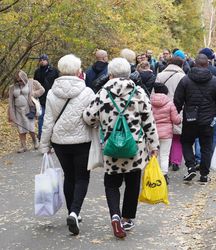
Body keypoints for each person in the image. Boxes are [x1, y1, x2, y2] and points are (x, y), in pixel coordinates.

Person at [83, 57, 159, 239]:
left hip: (111, 147)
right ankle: (127, 218)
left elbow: (88, 117)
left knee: (111, 183)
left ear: (110, 74)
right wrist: (154, 145)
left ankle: (114, 215)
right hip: (135, 147)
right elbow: (149, 122)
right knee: (133, 183)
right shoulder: (139, 92)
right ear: (129, 73)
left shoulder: (102, 93)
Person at [39, 54, 95, 235]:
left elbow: (47, 121)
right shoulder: (87, 92)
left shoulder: (52, 93)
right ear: (78, 70)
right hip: (82, 142)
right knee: (82, 178)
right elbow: (93, 118)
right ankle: (75, 212)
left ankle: (72, 212)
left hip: (60, 142)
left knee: (69, 177)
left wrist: (44, 145)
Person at [174, 54, 216, 183]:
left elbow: (177, 99)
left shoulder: (185, 80)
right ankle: (204, 174)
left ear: (195, 64)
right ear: (207, 64)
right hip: (208, 119)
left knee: (186, 142)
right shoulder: (215, 81)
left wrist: (177, 113)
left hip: (190, 118)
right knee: (206, 146)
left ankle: (191, 166)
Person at [194, 48, 216, 166]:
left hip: (195, 108)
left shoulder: (191, 72)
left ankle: (199, 158)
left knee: (198, 134)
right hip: (214, 108)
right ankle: (210, 157)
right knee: (214, 133)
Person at [156, 57, 185, 171]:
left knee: (164, 135)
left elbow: (155, 91)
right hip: (178, 107)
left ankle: (165, 160)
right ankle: (176, 161)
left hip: (162, 107)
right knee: (177, 136)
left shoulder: (160, 75)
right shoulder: (182, 76)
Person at [151, 83, 181, 184]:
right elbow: (176, 120)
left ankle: (156, 174)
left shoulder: (149, 102)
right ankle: (164, 175)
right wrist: (179, 119)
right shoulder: (169, 103)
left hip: (153, 133)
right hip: (167, 134)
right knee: (165, 155)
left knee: (155, 154)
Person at [8, 70, 45, 153]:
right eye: (17, 80)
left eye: (21, 80)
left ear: (24, 78)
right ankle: (23, 146)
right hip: (17, 110)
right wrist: (10, 112)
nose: (19, 82)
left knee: (30, 127)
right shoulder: (12, 87)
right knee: (20, 128)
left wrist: (33, 94)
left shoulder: (32, 82)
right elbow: (10, 101)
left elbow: (42, 90)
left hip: (29, 109)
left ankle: (35, 141)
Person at [34, 54, 59, 141]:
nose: (42, 61)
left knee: (53, 117)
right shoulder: (37, 72)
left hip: (53, 97)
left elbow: (58, 82)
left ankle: (54, 135)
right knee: (41, 117)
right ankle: (41, 136)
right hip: (41, 98)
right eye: (40, 60)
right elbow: (34, 85)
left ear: (47, 60)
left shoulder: (54, 71)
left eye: (44, 60)